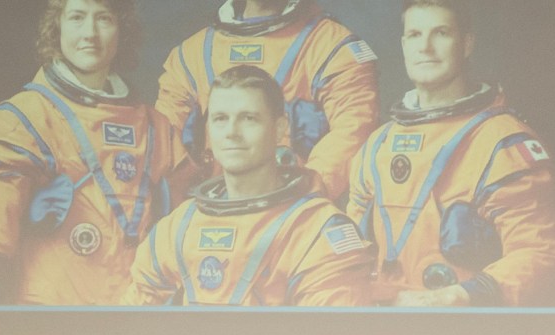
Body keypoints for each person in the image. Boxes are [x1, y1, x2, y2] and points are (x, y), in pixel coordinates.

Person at [0, 0, 182, 307]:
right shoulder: (27, 116)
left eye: (103, 19)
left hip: (136, 309)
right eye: (77, 17)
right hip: (51, 310)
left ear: (122, 31)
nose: (90, 33)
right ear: (57, 28)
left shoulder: (155, 127)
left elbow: (185, 220)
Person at [348, 1, 555, 307]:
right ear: (404, 45)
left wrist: (457, 296)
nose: (426, 47)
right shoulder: (377, 146)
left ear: (467, 43)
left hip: (464, 326)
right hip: (383, 323)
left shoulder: (502, 143)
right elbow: (346, 255)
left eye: (441, 33)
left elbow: (537, 252)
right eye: (416, 35)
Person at [126, 66, 374, 307]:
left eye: (248, 118)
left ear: (279, 129)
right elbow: (130, 323)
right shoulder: (179, 226)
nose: (232, 132)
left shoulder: (316, 230)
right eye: (221, 119)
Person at [157, 0, 379, 206]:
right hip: (211, 211)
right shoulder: (193, 54)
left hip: (295, 214)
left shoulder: (332, 47)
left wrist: (298, 198)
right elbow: (160, 142)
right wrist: (189, 210)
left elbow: (354, 129)